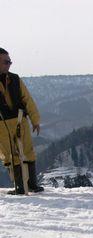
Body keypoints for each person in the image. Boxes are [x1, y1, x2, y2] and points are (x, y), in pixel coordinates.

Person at [0, 48, 44, 195]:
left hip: (20, 121)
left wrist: (35, 120)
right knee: (10, 156)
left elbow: (27, 100)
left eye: (10, 61)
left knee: (28, 152)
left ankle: (32, 185)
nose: (9, 64)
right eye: (6, 62)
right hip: (2, 125)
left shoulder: (15, 79)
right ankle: (19, 186)